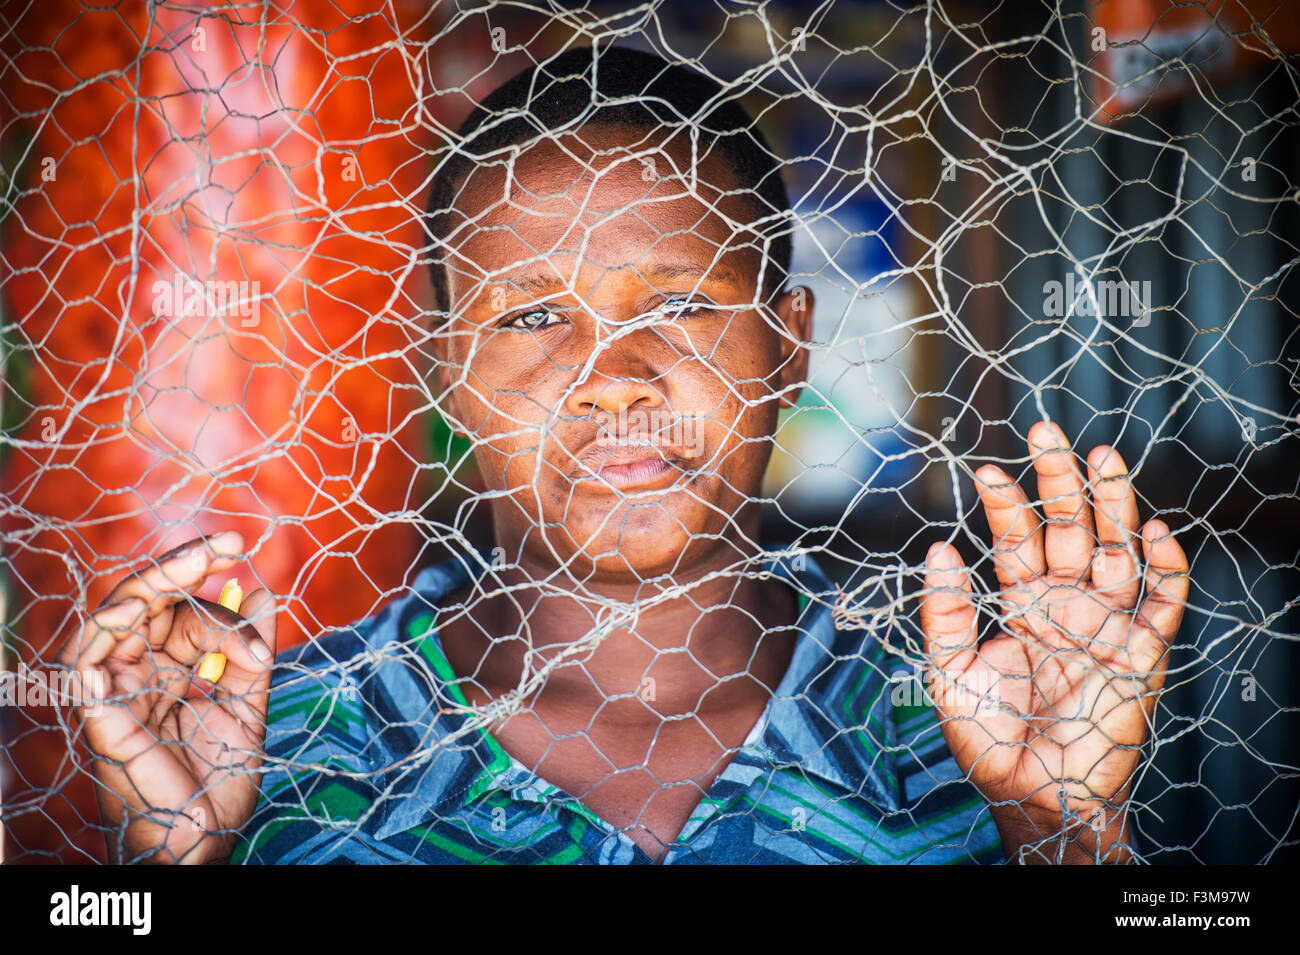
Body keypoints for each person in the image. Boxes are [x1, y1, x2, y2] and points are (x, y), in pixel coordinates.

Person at [58, 44, 1189, 864]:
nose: (614, 375)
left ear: (787, 345)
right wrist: (159, 874)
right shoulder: (287, 740)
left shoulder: (972, 721)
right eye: (533, 317)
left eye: (684, 304)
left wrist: (1067, 839)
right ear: (445, 369)